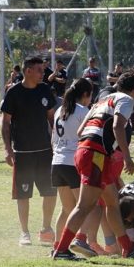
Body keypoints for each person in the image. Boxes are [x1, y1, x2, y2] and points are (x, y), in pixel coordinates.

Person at [51, 72, 134, 260]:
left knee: (112, 201)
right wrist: (127, 157)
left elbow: (79, 131)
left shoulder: (101, 101)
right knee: (85, 205)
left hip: (86, 152)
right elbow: (118, 127)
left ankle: (127, 246)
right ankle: (61, 249)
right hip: (95, 155)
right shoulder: (126, 100)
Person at [0, 57, 58, 247]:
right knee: (23, 194)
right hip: (22, 152)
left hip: (45, 152)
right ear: (28, 71)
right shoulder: (14, 92)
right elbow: (5, 123)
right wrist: (8, 149)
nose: (43, 73)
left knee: (50, 192)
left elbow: (51, 119)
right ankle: (24, 233)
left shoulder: (45, 90)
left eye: (43, 69)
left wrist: (56, 143)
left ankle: (46, 229)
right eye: (40, 70)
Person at [50, 79, 94, 256]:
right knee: (84, 207)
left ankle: (57, 247)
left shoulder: (59, 110)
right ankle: (79, 241)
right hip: (73, 162)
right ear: (85, 95)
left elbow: (53, 138)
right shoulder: (84, 111)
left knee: (66, 208)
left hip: (57, 162)